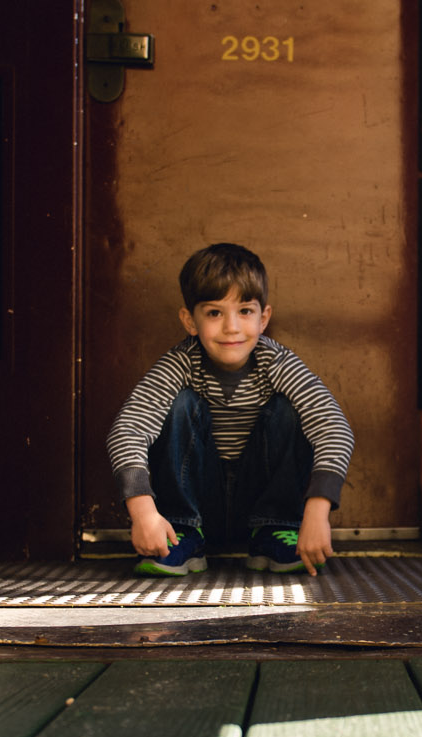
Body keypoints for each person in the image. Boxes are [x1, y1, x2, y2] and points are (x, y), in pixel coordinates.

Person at [106, 242, 352, 577]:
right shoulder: (181, 363)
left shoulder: (276, 363)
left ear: (264, 318)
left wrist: (317, 512)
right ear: (189, 320)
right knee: (180, 405)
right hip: (200, 507)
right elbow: (128, 430)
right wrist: (144, 513)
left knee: (289, 408)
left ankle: (274, 531)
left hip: (260, 506)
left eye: (245, 311)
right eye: (214, 313)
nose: (231, 327)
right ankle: (182, 533)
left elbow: (333, 427)